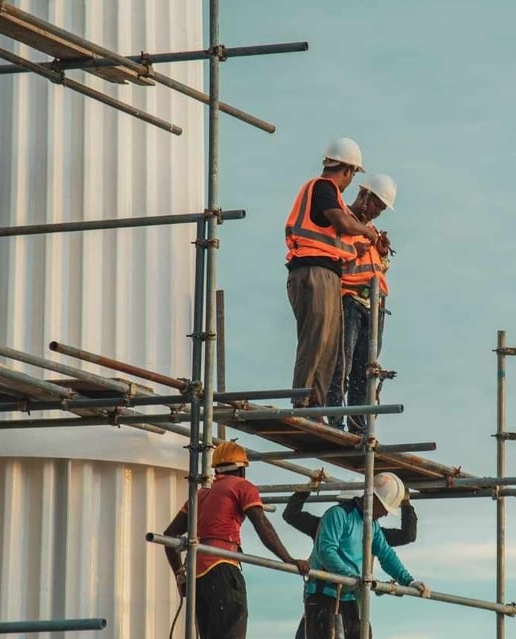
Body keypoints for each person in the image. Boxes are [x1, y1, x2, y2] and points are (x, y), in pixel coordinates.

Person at [163, 441, 310, 639]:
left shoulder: (199, 495)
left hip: (197, 576)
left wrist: (180, 576)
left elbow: (169, 535)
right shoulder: (242, 487)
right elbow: (263, 525)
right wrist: (289, 560)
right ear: (242, 470)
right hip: (222, 566)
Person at [285, 138, 379, 412]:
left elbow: (336, 237)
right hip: (312, 271)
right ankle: (302, 402)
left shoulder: (329, 196)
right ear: (348, 170)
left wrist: (360, 244)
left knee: (329, 346)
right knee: (315, 339)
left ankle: (316, 404)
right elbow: (341, 221)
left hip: (325, 274)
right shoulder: (323, 187)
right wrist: (365, 231)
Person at [303, 472, 430, 639]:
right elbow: (326, 552)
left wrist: (408, 580)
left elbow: (386, 554)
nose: (385, 514)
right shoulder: (338, 515)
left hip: (351, 598)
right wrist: (352, 577)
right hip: (325, 596)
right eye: (385, 509)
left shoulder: (372, 526)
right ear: (373, 498)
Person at [325, 174, 397, 433]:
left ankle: (357, 426)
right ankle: (335, 420)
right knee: (341, 363)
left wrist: (383, 253)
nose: (376, 211)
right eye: (375, 204)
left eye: (380, 207)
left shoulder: (371, 231)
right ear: (363, 195)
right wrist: (361, 250)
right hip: (349, 300)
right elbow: (335, 258)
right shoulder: (343, 220)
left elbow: (378, 268)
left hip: (374, 306)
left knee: (364, 371)